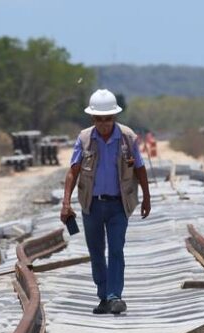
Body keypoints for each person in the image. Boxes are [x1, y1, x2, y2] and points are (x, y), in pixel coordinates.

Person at [60, 89, 151, 315]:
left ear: (115, 118)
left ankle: (115, 296)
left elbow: (139, 168)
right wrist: (66, 203)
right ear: (93, 119)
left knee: (117, 249)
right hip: (92, 205)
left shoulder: (128, 138)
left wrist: (147, 198)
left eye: (108, 119)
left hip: (119, 205)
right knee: (97, 252)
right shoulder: (84, 138)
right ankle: (103, 296)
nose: (104, 124)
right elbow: (73, 171)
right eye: (99, 119)